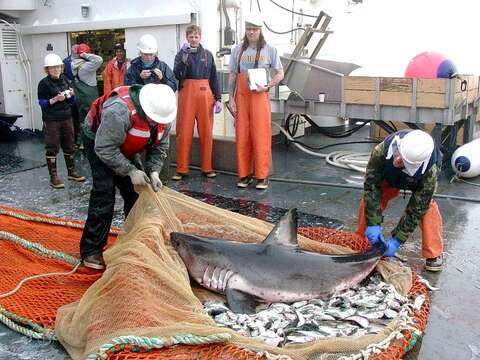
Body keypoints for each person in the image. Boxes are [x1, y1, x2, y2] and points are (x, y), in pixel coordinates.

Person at [80, 83, 177, 270]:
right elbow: (105, 148)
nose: (155, 123)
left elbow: (160, 147)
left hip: (126, 141)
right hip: (99, 140)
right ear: (145, 108)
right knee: (104, 192)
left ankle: (134, 240)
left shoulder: (163, 115)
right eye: (152, 119)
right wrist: (130, 171)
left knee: (137, 192)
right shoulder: (118, 111)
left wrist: (153, 171)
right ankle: (91, 250)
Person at [357, 129, 444, 272]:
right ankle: (361, 240)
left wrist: (397, 239)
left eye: (403, 161)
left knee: (426, 208)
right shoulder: (381, 151)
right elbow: (372, 187)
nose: (397, 160)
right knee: (369, 200)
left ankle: (434, 253)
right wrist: (373, 223)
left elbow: (417, 209)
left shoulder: (431, 171)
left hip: (417, 182)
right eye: (399, 155)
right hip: (389, 177)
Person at [227, 15, 284, 190]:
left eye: (255, 29)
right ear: (245, 30)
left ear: (260, 30)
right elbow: (233, 75)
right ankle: (244, 174)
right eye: (249, 29)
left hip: (260, 96)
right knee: (242, 134)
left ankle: (262, 176)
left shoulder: (270, 50)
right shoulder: (237, 50)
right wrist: (230, 98)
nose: (251, 32)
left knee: (261, 134)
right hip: (242, 97)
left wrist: (268, 86)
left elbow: (280, 73)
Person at [124, 34, 177, 184]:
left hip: (159, 116)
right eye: (145, 54)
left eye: (151, 54)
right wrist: (139, 79)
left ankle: (161, 181)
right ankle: (141, 184)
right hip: (140, 118)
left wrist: (163, 79)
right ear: (140, 53)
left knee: (161, 150)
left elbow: (173, 87)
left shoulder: (163, 67)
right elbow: (127, 88)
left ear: (156, 53)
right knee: (138, 155)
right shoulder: (133, 68)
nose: (148, 57)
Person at [172, 25, 221, 181]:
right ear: (187, 38)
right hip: (186, 96)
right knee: (183, 132)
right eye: (191, 36)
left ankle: (207, 168)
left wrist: (218, 98)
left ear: (200, 37)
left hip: (205, 96)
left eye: (196, 36)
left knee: (206, 133)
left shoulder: (208, 55)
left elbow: (214, 77)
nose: (193, 39)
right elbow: (177, 75)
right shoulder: (181, 55)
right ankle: (181, 169)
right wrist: (184, 59)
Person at [37, 53, 86, 188]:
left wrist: (71, 95)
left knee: (69, 145)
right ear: (47, 69)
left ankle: (71, 172)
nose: (56, 69)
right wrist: (54, 100)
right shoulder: (43, 84)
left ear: (61, 67)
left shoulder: (65, 80)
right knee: (52, 148)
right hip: (51, 120)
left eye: (57, 67)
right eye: (52, 68)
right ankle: (54, 178)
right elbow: (42, 103)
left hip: (67, 117)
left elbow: (74, 101)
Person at [71, 43, 103, 125]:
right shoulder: (86, 67)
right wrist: (85, 54)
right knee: (92, 122)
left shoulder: (73, 64)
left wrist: (77, 53)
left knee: (82, 121)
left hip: (80, 100)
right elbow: (99, 59)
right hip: (90, 100)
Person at [63, 45, 82, 149]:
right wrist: (68, 82)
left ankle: (81, 140)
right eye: (74, 49)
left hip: (81, 90)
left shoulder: (84, 59)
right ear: (71, 50)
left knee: (81, 117)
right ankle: (73, 141)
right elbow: (62, 74)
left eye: (78, 49)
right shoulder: (66, 61)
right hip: (71, 90)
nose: (76, 51)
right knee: (73, 117)